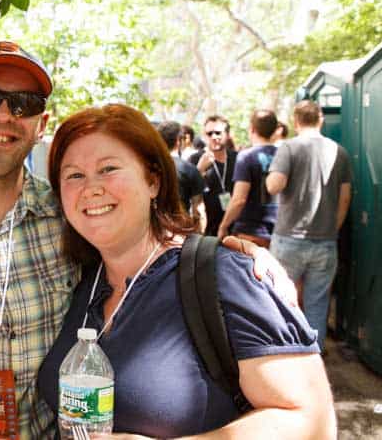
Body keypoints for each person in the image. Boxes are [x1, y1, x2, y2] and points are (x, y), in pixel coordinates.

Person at [0, 42, 298, 440]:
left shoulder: (70, 216)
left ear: (40, 124)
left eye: (23, 103)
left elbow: (140, 241)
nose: (4, 114)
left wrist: (233, 260)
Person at [37, 104, 336, 439]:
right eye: (74, 175)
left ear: (153, 181)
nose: (91, 188)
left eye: (108, 168)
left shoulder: (224, 276)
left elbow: (311, 421)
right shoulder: (78, 281)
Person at [267, 100, 352, 351]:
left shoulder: (289, 148)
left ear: (295, 121)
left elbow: (274, 185)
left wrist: (273, 176)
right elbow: (345, 197)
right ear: (321, 119)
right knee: (317, 303)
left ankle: (282, 353)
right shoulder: (340, 152)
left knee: (279, 299)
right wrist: (332, 228)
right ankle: (313, 355)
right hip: (325, 241)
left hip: (288, 239)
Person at [217, 110, 278, 248]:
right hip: (279, 233)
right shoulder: (283, 155)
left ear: (252, 129)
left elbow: (239, 199)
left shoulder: (246, 156)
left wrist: (223, 226)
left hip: (251, 233)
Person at [156, 121, 205, 230]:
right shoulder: (189, 169)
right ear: (178, 141)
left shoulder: (148, 167)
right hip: (181, 229)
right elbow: (198, 208)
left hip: (154, 228)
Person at [197, 115, 237, 237]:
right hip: (208, 231)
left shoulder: (239, 159)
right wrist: (199, 170)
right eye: (209, 134)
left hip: (236, 229)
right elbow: (190, 196)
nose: (214, 137)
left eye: (218, 133)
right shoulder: (195, 159)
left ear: (228, 134)